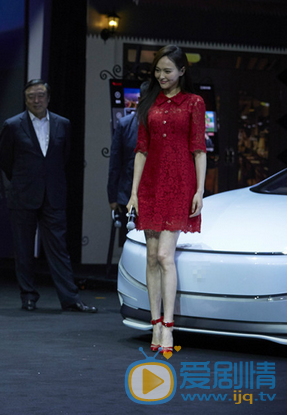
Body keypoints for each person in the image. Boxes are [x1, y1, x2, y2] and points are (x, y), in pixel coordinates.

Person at [126, 45, 206, 353]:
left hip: (180, 184)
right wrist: (133, 192)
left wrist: (199, 190)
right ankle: (155, 324)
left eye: (167, 71)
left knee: (164, 257)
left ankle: (169, 327)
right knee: (150, 257)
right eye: (157, 71)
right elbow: (141, 150)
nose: (162, 76)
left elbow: (199, 149)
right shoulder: (148, 103)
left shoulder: (194, 103)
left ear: (182, 71)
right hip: (150, 184)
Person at [0, 79, 97, 313]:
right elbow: (5, 161)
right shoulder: (13, 125)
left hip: (53, 194)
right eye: (31, 96)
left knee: (59, 249)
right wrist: (25, 181)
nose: (36, 100)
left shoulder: (63, 124)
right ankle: (28, 296)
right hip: (23, 195)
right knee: (23, 249)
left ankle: (70, 299)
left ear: (48, 98)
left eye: (40, 95)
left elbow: (64, 157)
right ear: (25, 99)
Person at [107, 82, 149, 246]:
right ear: (141, 99)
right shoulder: (125, 124)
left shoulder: (165, 126)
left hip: (156, 196)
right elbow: (115, 162)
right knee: (130, 243)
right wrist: (113, 196)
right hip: (127, 194)